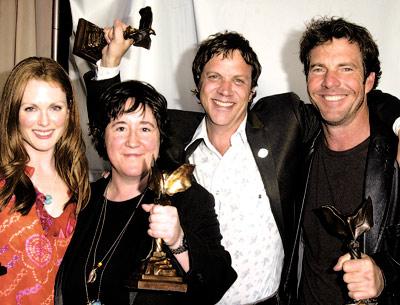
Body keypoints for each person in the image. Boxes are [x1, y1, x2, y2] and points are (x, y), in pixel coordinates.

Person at [83, 19, 400, 305]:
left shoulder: (283, 125)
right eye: (214, 77)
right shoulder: (172, 137)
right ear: (198, 84)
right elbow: (118, 126)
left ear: (252, 92)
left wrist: (398, 121)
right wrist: (109, 65)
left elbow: (346, 101)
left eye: (238, 80)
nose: (225, 90)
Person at [55, 80, 236, 305]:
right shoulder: (82, 200)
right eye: (121, 127)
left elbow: (217, 282)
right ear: (102, 136)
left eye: (145, 128)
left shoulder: (188, 199)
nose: (133, 141)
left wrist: (178, 241)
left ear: (160, 137)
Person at [284, 17, 400, 305]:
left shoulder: (395, 161)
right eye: (318, 69)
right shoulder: (295, 147)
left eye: (345, 68)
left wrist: (383, 278)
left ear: (369, 81)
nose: (329, 82)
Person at [0, 57, 90, 304]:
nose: (44, 121)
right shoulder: (2, 187)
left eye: (55, 108)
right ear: (13, 112)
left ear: (69, 111)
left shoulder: (83, 188)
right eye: (31, 108)